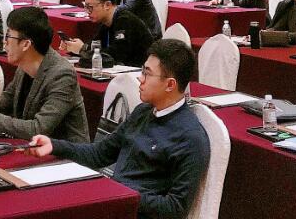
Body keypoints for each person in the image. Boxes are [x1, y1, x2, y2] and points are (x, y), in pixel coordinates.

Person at [29, 39, 208, 219]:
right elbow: (99, 154)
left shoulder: (190, 137)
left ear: (170, 85)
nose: (140, 78)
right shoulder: (143, 112)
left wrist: (121, 194)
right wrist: (54, 145)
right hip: (115, 204)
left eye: (147, 74)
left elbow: (175, 208)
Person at [0, 6, 89, 141]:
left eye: (8, 36)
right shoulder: (24, 66)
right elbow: (5, 101)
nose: (4, 42)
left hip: (63, 151)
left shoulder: (62, 74)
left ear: (26, 44)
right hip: (30, 146)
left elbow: (39, 128)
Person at [63, 0, 154, 68]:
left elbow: (115, 55)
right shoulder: (106, 22)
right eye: (85, 7)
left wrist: (83, 49)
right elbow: (95, 45)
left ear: (107, 5)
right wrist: (73, 47)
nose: (87, 12)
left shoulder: (125, 21)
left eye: (90, 7)